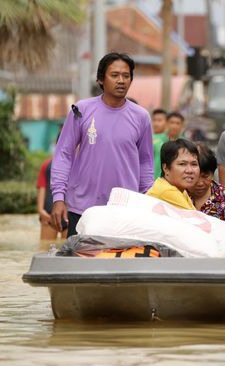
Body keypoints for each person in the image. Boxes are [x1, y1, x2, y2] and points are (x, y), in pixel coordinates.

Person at [50, 52, 154, 237]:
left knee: (121, 266)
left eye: (126, 76)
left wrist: (147, 199)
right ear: (100, 79)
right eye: (114, 75)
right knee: (79, 264)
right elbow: (64, 155)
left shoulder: (141, 117)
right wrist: (58, 198)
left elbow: (145, 162)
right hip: (82, 210)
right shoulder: (81, 110)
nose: (121, 80)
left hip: (125, 211)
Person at [147, 139, 199, 210]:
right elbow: (195, 220)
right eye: (182, 164)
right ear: (166, 168)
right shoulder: (167, 191)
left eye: (194, 164)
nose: (189, 170)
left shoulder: (179, 188)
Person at [188, 144, 225, 220]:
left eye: (205, 176)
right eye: (194, 177)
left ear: (213, 173)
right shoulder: (175, 194)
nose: (200, 183)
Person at [37, 158, 67, 240]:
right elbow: (42, 186)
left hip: (54, 212)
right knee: (69, 250)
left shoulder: (48, 164)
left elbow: (41, 187)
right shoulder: (47, 164)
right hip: (53, 214)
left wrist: (41, 210)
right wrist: (41, 211)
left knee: (46, 249)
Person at [152, 108, 168, 179]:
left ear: (167, 122)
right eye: (154, 120)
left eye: (159, 120)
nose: (156, 123)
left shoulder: (169, 139)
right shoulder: (149, 138)